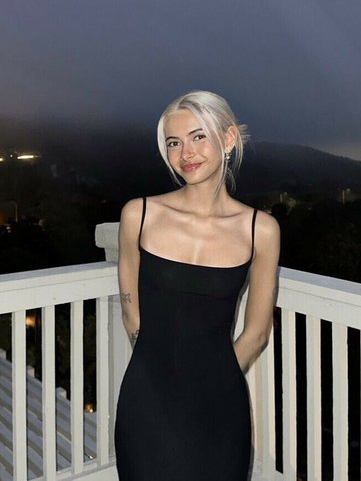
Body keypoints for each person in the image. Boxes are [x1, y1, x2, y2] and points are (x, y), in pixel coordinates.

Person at [115, 90, 280, 480]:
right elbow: (130, 310)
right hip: (147, 400)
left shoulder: (260, 230)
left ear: (228, 139)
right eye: (174, 143)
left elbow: (257, 332)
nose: (185, 152)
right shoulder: (140, 215)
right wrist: (159, 369)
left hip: (220, 404)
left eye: (198, 136)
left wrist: (214, 379)